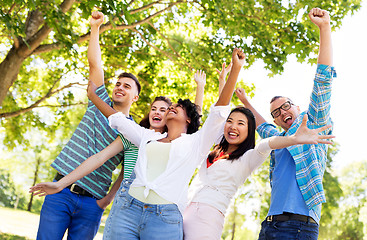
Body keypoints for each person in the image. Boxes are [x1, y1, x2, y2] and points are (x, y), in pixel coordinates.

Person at [82, 48, 245, 239]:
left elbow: (219, 110)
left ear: (189, 120)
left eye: (179, 107)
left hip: (164, 219)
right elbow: (118, 119)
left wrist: (235, 70)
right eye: (172, 107)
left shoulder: (196, 142)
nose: (173, 107)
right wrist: (93, 96)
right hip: (127, 210)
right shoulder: (147, 136)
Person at [34, 11, 141, 239]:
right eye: (118, 84)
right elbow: (95, 64)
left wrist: (106, 201)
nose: (120, 87)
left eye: (127, 86)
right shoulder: (98, 100)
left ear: (135, 97)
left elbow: (125, 171)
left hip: (93, 202)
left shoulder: (132, 131)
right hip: (60, 191)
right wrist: (95, 28)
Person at [238, 8, 336, 239]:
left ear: (297, 108)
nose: (283, 112)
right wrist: (245, 100)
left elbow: (323, 82)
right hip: (270, 225)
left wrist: (324, 28)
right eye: (276, 112)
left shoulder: (314, 124)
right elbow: (261, 124)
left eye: (286, 106)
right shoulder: (278, 139)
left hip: (300, 226)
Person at [183, 106, 334, 239]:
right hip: (183, 209)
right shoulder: (214, 150)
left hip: (207, 217)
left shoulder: (247, 158)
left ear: (249, 131)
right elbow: (210, 119)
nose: (233, 126)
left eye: (241, 123)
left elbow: (266, 144)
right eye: (230, 121)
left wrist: (293, 139)